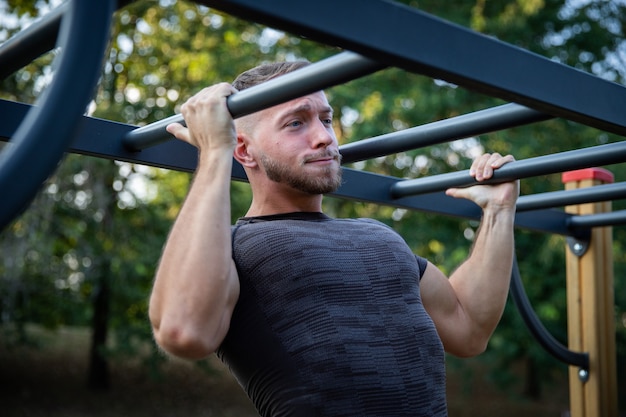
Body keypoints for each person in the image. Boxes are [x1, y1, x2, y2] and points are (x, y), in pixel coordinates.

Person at [148, 60, 519, 416]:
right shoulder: (231, 250)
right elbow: (183, 331)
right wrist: (215, 152)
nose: (325, 138)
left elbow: (468, 327)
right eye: (295, 124)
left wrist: (499, 212)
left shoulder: (380, 237)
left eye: (326, 119)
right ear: (244, 150)